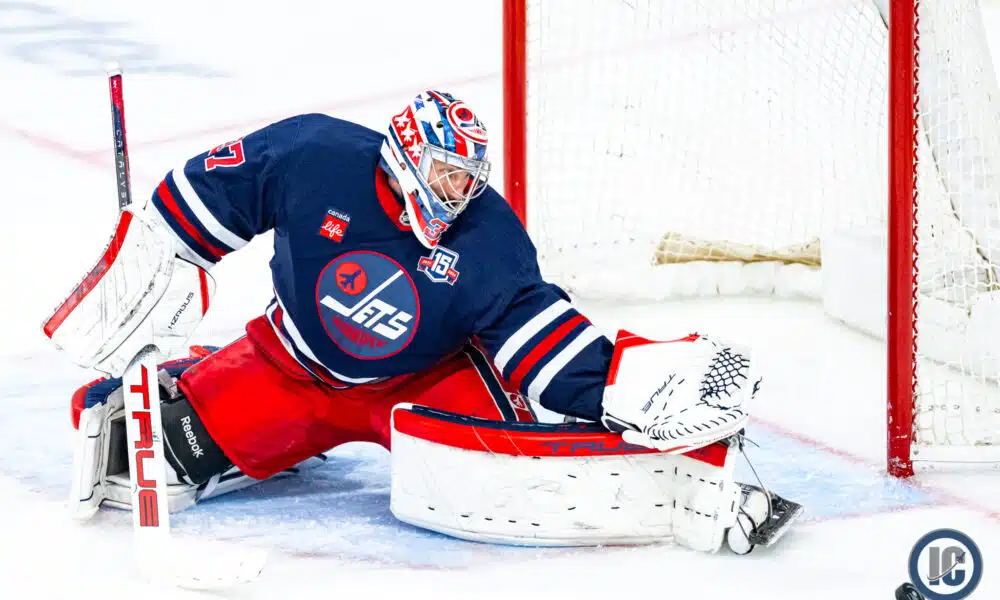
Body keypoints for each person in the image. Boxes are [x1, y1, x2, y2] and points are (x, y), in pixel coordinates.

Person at [52, 91, 766, 551]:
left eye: (469, 177)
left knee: (510, 475)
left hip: (424, 382)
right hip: (291, 370)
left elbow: (536, 336)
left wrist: (614, 385)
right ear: (404, 153)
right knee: (162, 450)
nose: (458, 190)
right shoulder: (314, 157)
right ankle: (194, 380)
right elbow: (204, 195)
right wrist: (159, 261)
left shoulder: (488, 236)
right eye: (446, 171)